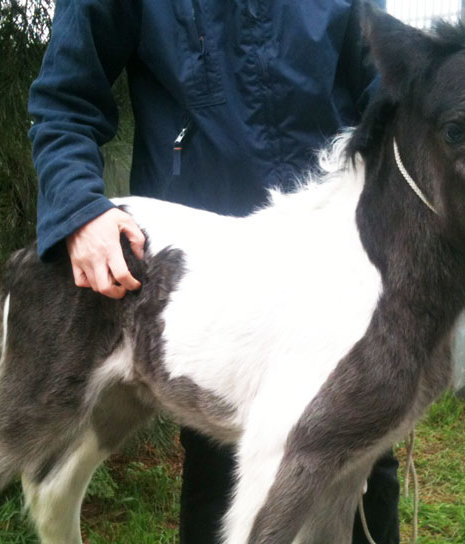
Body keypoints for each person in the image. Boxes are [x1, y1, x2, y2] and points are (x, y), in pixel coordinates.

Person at [28, 0, 400, 542]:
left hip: (337, 272)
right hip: (211, 289)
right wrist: (79, 209)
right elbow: (65, 101)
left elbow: (387, 97)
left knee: (365, 471)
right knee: (223, 475)